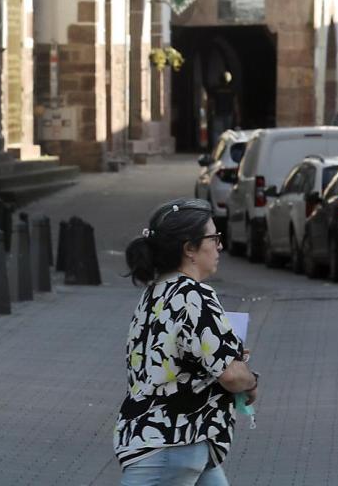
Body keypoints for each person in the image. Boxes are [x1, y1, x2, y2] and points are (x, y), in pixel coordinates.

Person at [114, 199, 258, 485]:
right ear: (189, 248)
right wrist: (250, 381)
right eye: (213, 238)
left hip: (184, 442)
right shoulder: (194, 295)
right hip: (170, 446)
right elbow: (231, 375)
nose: (219, 245)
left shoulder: (155, 293)